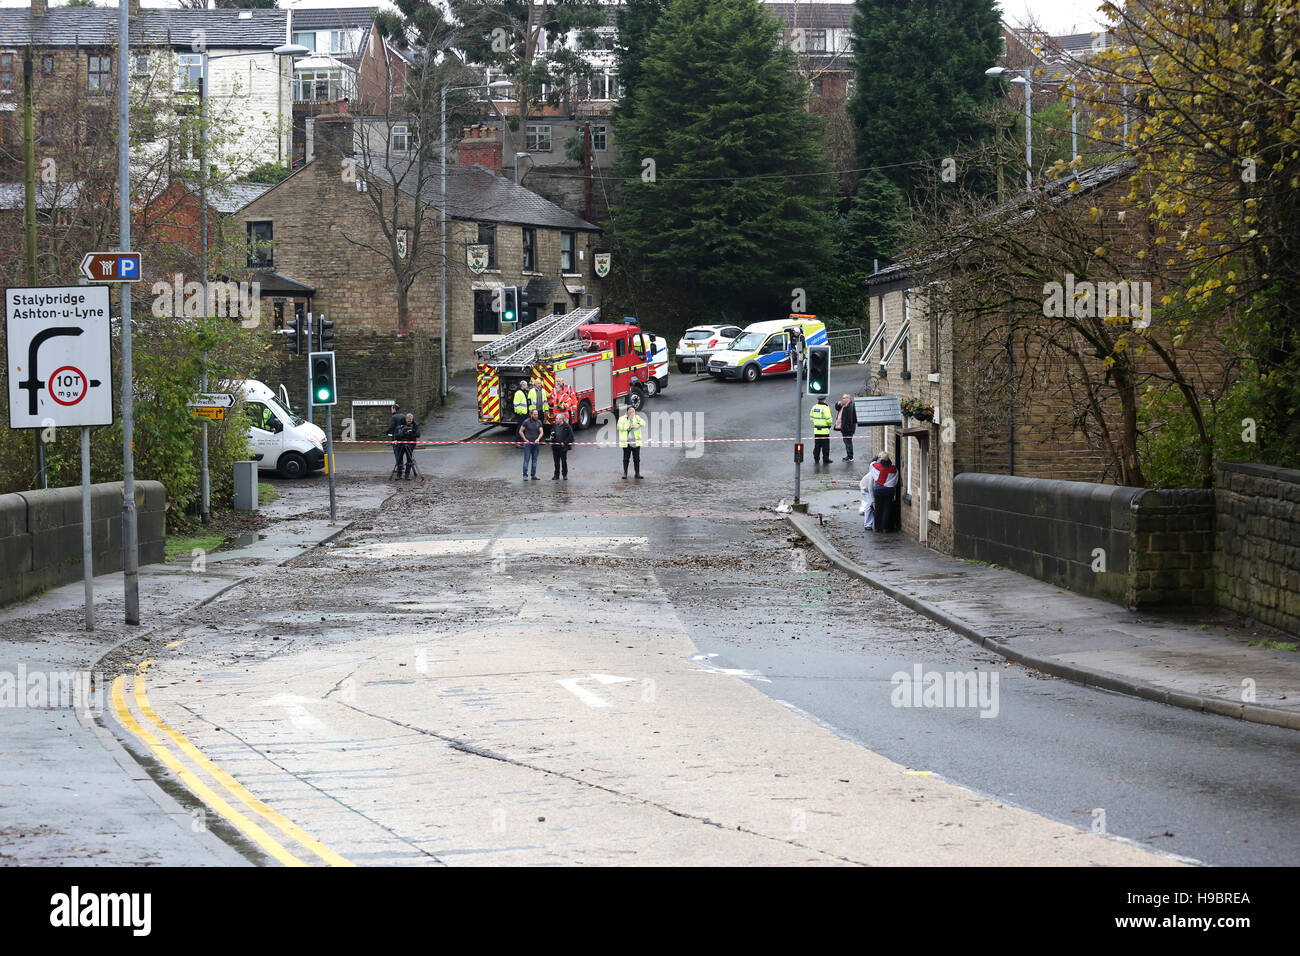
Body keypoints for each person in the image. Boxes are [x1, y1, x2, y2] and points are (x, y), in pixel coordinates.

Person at [870, 454, 900, 534]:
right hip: (889, 491)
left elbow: (871, 463)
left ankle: (877, 528)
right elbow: (896, 480)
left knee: (878, 509)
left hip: (878, 491)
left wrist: (876, 457)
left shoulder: (876, 467)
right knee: (887, 509)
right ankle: (885, 528)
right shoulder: (894, 468)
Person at [618, 403, 646, 479]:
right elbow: (619, 427)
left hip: (636, 442)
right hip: (626, 442)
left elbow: (644, 423)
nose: (633, 414)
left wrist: (638, 424)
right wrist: (629, 426)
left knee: (636, 458)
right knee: (626, 459)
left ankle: (637, 474)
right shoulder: (622, 419)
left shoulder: (636, 417)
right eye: (631, 412)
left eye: (633, 412)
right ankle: (625, 473)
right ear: (627, 413)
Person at [518, 408, 544, 479]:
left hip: (536, 444)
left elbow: (541, 432)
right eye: (535, 414)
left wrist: (538, 439)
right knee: (526, 460)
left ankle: (533, 475)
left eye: (537, 414)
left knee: (534, 460)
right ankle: (525, 475)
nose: (536, 416)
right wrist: (525, 440)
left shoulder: (539, 422)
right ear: (531, 415)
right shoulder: (526, 422)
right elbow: (520, 431)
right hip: (528, 444)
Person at [550, 409, 575, 479]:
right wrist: (552, 435)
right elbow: (552, 432)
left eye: (557, 419)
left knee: (564, 461)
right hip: (555, 447)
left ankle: (564, 475)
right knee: (556, 462)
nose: (556, 420)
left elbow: (571, 437)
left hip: (563, 448)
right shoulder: (555, 426)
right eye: (556, 419)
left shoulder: (567, 427)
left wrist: (565, 442)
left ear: (561, 419)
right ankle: (556, 475)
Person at [394, 413, 420, 480]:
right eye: (408, 421)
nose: (409, 422)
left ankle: (407, 475)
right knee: (399, 459)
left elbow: (418, 434)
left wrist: (412, 432)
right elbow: (396, 434)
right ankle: (399, 475)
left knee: (409, 460)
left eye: (410, 420)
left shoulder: (414, 425)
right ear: (405, 419)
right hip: (401, 444)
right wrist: (403, 432)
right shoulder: (400, 424)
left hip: (410, 445)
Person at [810, 396, 833, 465]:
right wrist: (829, 424)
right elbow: (829, 420)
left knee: (817, 446)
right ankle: (825, 459)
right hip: (825, 431)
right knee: (825, 447)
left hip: (816, 431)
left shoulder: (814, 407)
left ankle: (816, 459)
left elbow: (811, 418)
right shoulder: (825, 408)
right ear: (824, 400)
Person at [835, 394, 858, 461]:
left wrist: (846, 427)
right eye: (842, 398)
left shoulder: (850, 406)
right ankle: (849, 455)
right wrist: (838, 404)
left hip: (848, 428)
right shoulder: (844, 405)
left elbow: (851, 419)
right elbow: (837, 408)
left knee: (848, 442)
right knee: (846, 442)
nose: (843, 399)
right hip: (844, 428)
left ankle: (850, 457)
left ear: (848, 398)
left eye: (844, 398)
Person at [859, 455, 880, 529]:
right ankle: (867, 524)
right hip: (865, 489)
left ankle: (863, 509)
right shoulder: (872, 474)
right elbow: (870, 488)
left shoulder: (878, 471)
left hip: (870, 489)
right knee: (870, 505)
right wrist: (873, 501)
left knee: (871, 503)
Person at [385, 402, 406, 475]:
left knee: (397, 452)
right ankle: (401, 466)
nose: (391, 410)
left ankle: (399, 467)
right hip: (403, 437)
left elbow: (391, 427)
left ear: (394, 409)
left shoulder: (394, 417)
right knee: (401, 452)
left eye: (391, 409)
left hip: (395, 437)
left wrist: (386, 432)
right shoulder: (403, 416)